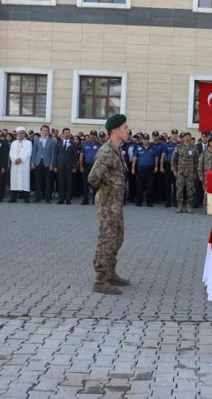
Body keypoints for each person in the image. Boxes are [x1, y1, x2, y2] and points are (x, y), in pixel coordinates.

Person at [88, 114, 130, 295]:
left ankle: (111, 273)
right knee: (107, 238)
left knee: (118, 237)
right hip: (107, 201)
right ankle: (100, 279)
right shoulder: (106, 151)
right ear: (115, 131)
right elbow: (93, 177)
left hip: (116, 202)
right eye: (125, 127)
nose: (128, 130)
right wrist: (109, 187)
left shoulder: (117, 149)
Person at [171, 132, 199, 213]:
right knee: (179, 189)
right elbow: (173, 160)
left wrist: (195, 172)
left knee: (190, 190)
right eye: (186, 137)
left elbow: (196, 161)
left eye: (189, 137)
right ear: (183, 138)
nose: (188, 138)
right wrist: (174, 170)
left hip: (190, 173)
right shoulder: (178, 147)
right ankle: (179, 205)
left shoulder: (194, 148)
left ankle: (189, 206)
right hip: (180, 172)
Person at [52, 127, 78, 205]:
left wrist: (74, 167)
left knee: (69, 183)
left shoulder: (73, 144)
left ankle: (68, 199)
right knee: (61, 183)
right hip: (60, 166)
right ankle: (61, 199)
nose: (67, 134)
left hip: (69, 166)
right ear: (62, 134)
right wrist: (55, 166)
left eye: (68, 133)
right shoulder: (58, 143)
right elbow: (55, 155)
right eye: (65, 133)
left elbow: (75, 156)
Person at [132, 133, 159, 207]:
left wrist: (156, 167)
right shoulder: (138, 148)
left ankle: (149, 202)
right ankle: (139, 201)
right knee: (139, 186)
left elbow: (156, 157)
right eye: (144, 139)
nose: (146, 141)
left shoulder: (153, 148)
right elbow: (135, 158)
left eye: (147, 139)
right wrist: (133, 168)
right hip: (141, 170)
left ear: (149, 140)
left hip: (150, 170)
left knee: (149, 187)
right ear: (142, 140)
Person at [31, 125, 55, 203]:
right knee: (38, 181)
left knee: (48, 181)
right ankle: (37, 197)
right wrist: (32, 163)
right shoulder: (37, 140)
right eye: (43, 130)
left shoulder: (51, 141)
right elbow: (34, 152)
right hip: (38, 162)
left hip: (47, 163)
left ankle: (47, 198)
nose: (45, 132)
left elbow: (53, 154)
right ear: (41, 131)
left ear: (48, 131)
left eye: (46, 130)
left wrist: (52, 164)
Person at [9, 126, 32, 203]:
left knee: (24, 181)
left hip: (23, 164)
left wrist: (21, 159)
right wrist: (15, 159)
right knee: (14, 181)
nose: (21, 134)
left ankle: (26, 198)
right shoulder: (13, 143)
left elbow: (28, 152)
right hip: (15, 164)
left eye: (22, 133)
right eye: (19, 133)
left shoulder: (28, 143)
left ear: (25, 134)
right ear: (17, 134)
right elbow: (11, 152)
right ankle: (13, 198)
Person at [79, 130, 101, 205]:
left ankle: (94, 200)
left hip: (95, 166)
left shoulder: (99, 145)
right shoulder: (85, 144)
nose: (93, 136)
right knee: (85, 183)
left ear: (96, 136)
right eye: (92, 135)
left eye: (94, 135)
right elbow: (81, 155)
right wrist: (81, 166)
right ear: (89, 135)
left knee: (95, 183)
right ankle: (85, 199)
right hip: (86, 166)